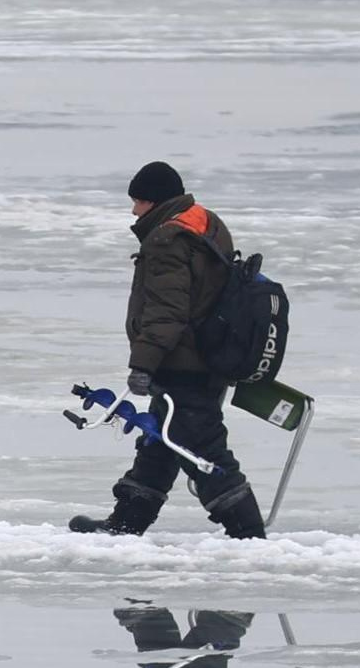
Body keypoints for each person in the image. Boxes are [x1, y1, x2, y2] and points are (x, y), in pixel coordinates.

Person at [74, 161, 267, 539]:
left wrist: (143, 364)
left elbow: (166, 312)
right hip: (208, 355)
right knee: (160, 442)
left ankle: (249, 534)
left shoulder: (167, 239)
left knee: (202, 448)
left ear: (156, 201)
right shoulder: (206, 224)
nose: (134, 211)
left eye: (139, 201)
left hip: (186, 363)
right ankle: (127, 523)